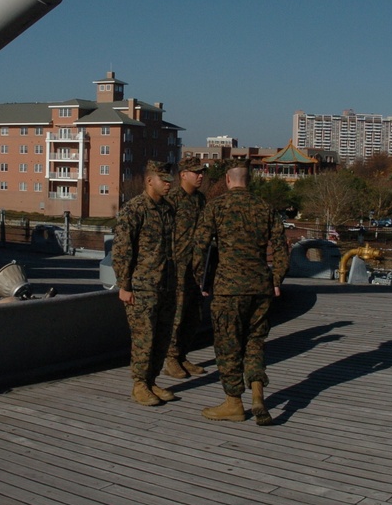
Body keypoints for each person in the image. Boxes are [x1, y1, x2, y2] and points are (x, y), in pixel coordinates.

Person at [192, 160, 289, 425]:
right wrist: (276, 278)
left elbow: (199, 247)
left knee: (228, 346)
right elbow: (281, 247)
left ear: (227, 179)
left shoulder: (216, 207)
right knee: (255, 342)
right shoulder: (265, 208)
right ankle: (258, 394)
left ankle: (234, 403)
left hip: (228, 289)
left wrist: (201, 281)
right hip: (260, 286)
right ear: (250, 180)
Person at [112, 161, 178, 406]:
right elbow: (122, 250)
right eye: (164, 179)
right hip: (142, 286)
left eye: (170, 179)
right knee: (144, 337)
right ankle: (139, 385)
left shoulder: (168, 209)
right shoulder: (134, 209)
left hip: (166, 284)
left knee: (162, 335)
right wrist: (124, 285)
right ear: (150, 180)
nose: (169, 183)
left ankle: (151, 381)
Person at [163, 155, 208, 380]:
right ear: (183, 175)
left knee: (194, 314)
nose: (200, 176)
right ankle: (170, 357)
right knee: (177, 314)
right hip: (177, 267)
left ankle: (182, 355)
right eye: (196, 172)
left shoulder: (200, 200)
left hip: (196, 268)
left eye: (202, 173)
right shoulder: (172, 199)